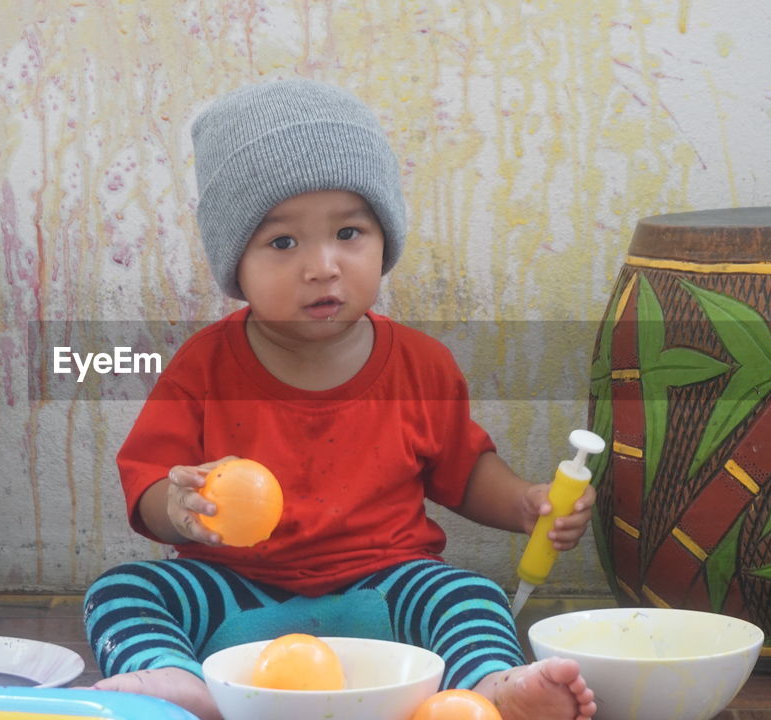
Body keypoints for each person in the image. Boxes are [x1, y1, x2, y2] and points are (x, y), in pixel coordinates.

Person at [83, 78, 597, 720]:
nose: (322, 265)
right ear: (233, 263)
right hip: (237, 593)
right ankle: (180, 683)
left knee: (467, 594)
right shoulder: (202, 366)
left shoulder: (420, 365)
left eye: (349, 232)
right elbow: (149, 486)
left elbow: (462, 472)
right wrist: (181, 507)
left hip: (384, 592)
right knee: (123, 590)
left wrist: (525, 503)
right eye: (282, 242)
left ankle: (491, 686)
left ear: (385, 239)